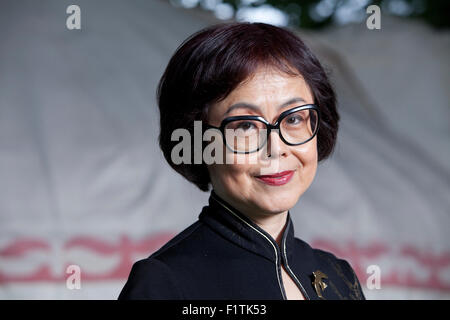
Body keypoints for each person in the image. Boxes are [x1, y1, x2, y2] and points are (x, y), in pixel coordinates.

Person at [119, 22, 365, 300]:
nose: (276, 148)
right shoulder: (164, 283)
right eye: (246, 126)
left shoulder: (338, 277)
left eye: (294, 118)